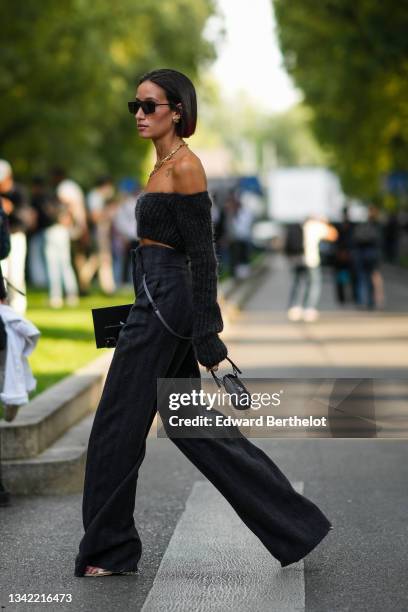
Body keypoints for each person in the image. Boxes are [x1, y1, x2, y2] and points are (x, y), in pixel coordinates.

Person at [74, 68, 332, 578]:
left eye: (151, 106)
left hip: (168, 301)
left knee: (115, 425)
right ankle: (296, 526)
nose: (141, 115)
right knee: (191, 424)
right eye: (137, 106)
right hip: (153, 293)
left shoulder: (186, 167)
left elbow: (203, 255)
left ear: (178, 111)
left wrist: (207, 330)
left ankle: (109, 549)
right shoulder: (159, 165)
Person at [287, 216, 338, 322]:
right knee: (314, 283)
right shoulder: (317, 226)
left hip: (297, 259)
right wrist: (326, 222)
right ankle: (309, 308)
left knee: (298, 282)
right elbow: (333, 235)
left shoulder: (299, 225)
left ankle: (295, 307)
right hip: (311, 259)